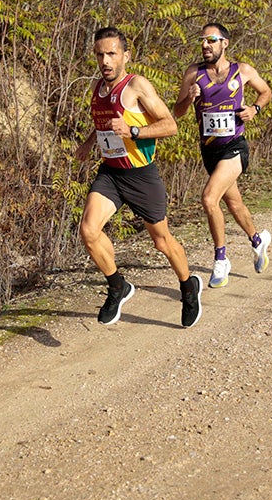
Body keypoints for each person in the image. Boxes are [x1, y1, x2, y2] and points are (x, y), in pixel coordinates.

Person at [75, 27, 204, 328]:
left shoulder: (137, 86)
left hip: (141, 175)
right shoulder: (98, 88)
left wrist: (134, 131)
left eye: (111, 54)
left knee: (162, 242)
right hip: (111, 173)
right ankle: (118, 286)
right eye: (99, 55)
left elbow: (170, 125)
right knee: (89, 230)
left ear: (125, 56)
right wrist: (89, 142)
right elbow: (106, 123)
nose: (105, 61)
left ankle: (188, 287)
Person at [173, 22, 272, 288]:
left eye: (212, 40)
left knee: (208, 198)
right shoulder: (193, 73)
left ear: (224, 43)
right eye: (203, 41)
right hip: (209, 149)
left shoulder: (243, 70)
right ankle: (257, 240)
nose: (206, 45)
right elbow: (178, 112)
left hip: (235, 146)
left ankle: (221, 258)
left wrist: (255, 109)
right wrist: (188, 98)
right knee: (234, 203)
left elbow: (266, 92)